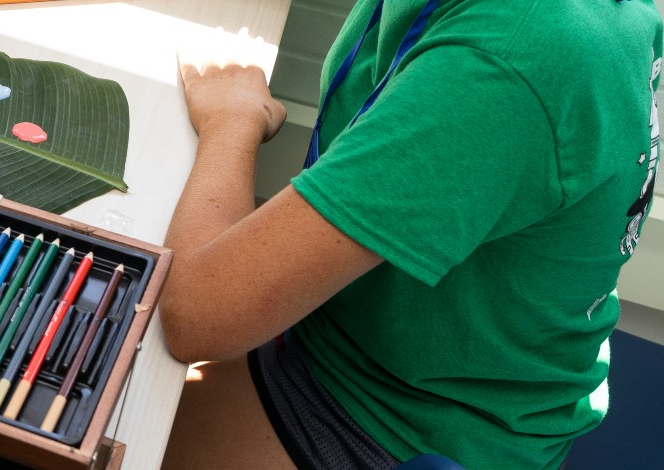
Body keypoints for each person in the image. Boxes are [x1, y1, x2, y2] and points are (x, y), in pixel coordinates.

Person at [159, 1, 659, 469]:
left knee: (108, 414)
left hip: (397, 422)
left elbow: (193, 315)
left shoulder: (508, 62)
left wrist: (231, 122)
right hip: (365, 347)